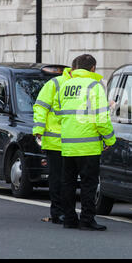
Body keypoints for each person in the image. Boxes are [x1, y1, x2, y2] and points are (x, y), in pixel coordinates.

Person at [57, 54, 116, 231]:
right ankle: (87, 220)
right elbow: (101, 119)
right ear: (92, 68)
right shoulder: (94, 86)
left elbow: (60, 114)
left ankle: (69, 219)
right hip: (88, 145)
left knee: (68, 183)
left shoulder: (65, 85)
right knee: (88, 185)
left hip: (68, 145)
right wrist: (109, 139)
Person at [33, 65, 74, 224]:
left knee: (68, 179)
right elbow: (41, 107)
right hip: (56, 141)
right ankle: (58, 212)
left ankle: (66, 212)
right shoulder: (55, 83)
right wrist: (38, 130)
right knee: (58, 178)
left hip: (75, 141)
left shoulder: (82, 85)